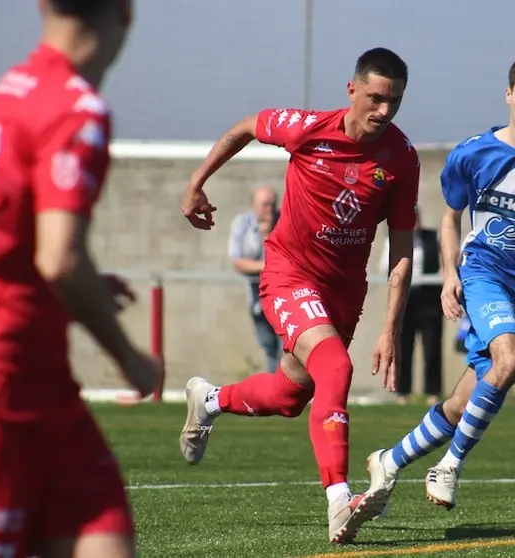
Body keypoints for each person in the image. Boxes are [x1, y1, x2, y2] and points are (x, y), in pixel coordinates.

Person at [0, 1, 161, 558]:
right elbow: (59, 260)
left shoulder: (5, 93)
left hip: (47, 397)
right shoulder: (78, 110)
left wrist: (61, 283)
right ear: (125, 12)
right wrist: (130, 358)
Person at [178, 47, 420, 545]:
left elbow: (400, 250)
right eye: (375, 98)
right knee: (335, 368)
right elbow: (246, 126)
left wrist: (390, 327)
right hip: (289, 276)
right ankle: (339, 500)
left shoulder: (400, 158)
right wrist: (197, 183)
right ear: (351, 89)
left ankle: (210, 399)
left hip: (344, 292)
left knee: (292, 396)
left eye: (394, 102)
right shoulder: (306, 128)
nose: (383, 111)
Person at [362, 52, 515, 515]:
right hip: (484, 275)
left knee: (463, 401)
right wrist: (451, 275)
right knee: (510, 362)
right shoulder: (471, 152)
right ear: (508, 94)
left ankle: (389, 460)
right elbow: (449, 221)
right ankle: (448, 466)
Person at [378, 208, 443, 405]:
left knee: (432, 347)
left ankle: (433, 392)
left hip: (430, 298)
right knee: (404, 346)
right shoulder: (394, 240)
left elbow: (445, 263)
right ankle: (402, 392)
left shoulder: (433, 238)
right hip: (405, 300)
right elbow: (384, 268)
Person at [228, 185, 281, 373]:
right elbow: (238, 262)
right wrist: (269, 268)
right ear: (254, 206)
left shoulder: (284, 222)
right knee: (269, 347)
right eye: (265, 205)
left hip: (284, 298)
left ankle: (286, 397)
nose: (270, 209)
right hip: (257, 299)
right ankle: (277, 396)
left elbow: (291, 260)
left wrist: (268, 235)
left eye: (272, 204)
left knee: (287, 349)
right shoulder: (242, 224)